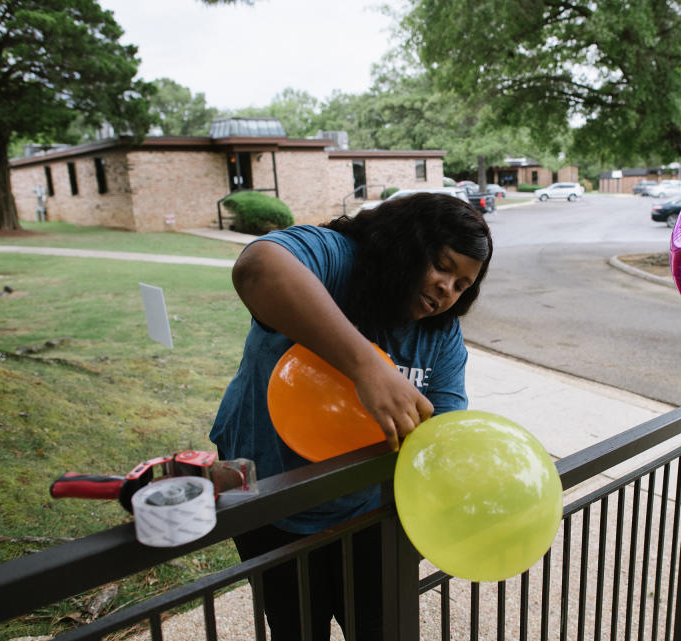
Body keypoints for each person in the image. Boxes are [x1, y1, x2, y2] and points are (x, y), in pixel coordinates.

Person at [209, 192, 493, 640]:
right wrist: (367, 367)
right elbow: (258, 268)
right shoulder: (337, 258)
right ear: (407, 245)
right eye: (442, 266)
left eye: (462, 285)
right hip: (271, 502)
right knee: (298, 628)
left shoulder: (441, 335)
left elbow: (444, 432)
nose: (447, 290)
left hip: (367, 513)